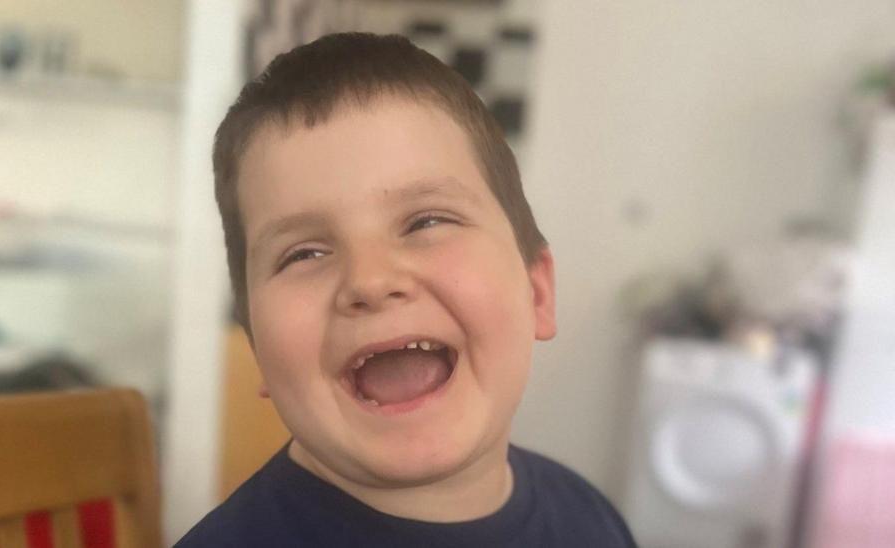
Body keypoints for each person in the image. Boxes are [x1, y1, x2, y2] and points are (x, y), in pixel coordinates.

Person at [175, 32, 636, 547]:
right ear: (258, 350)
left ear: (538, 294)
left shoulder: (590, 517)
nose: (370, 280)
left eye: (426, 222)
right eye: (303, 253)